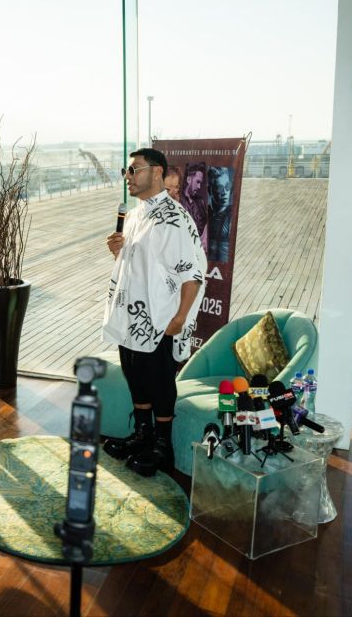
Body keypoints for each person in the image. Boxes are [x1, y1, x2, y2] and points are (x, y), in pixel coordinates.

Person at [101, 148, 206, 476]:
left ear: (157, 172)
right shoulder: (135, 215)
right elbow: (142, 265)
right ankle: (142, 434)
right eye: (126, 171)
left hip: (159, 318)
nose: (128, 177)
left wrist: (180, 318)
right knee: (135, 376)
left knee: (159, 382)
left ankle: (163, 447)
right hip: (130, 316)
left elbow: (192, 274)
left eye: (134, 170)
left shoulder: (174, 219)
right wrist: (118, 252)